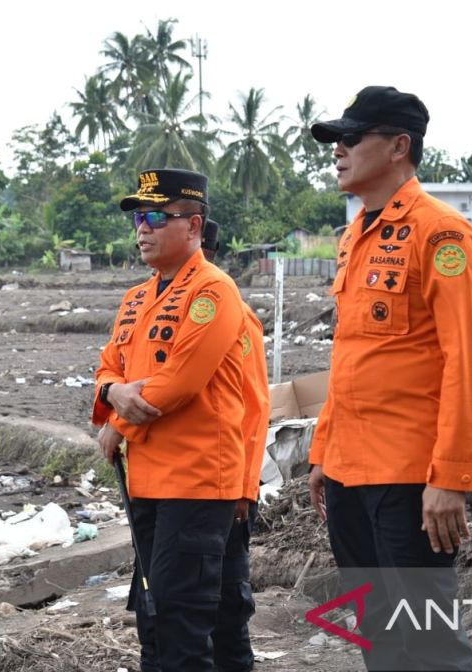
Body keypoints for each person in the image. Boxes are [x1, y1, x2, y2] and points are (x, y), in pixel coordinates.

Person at [304, 86, 472, 671]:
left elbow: (467, 360)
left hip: (410, 476)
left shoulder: (442, 233)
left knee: (430, 642)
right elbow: (353, 357)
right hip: (349, 472)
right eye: (336, 139)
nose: (338, 150)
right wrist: (323, 452)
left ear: (398, 146)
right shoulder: (356, 235)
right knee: (378, 634)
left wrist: (452, 477)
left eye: (351, 138)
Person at [93, 169, 248, 672]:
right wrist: (112, 392)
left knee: (183, 622)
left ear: (195, 225)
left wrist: (118, 424)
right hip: (148, 483)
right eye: (140, 216)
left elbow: (180, 381)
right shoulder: (135, 298)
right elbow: (108, 367)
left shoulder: (213, 292)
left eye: (158, 215)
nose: (143, 227)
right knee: (155, 616)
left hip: (198, 482)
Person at [203, 219, 270, 672]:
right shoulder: (155, 308)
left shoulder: (233, 314)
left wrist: (245, 489)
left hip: (223, 489)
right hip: (176, 490)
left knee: (226, 606)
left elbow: (254, 404)